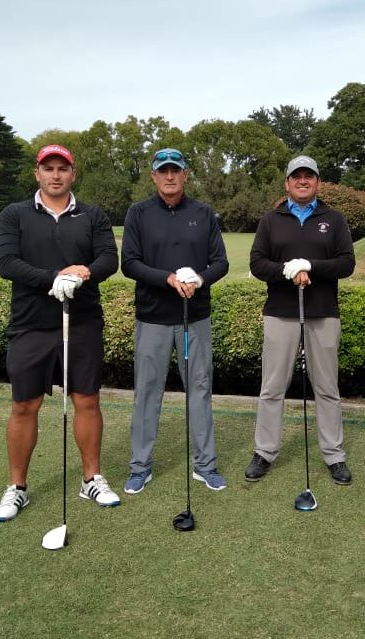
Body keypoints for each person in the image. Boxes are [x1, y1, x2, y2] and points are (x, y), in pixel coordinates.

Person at [0, 144, 121, 522]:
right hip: (30, 324)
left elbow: (108, 259)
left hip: (82, 322)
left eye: (62, 168)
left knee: (87, 400)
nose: (55, 175)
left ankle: (91, 478)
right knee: (24, 405)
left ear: (72, 173)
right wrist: (55, 277)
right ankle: (17, 487)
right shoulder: (14, 214)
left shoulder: (93, 215)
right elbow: (8, 263)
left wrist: (83, 274)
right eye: (48, 168)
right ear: (37, 174)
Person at [120, 148, 230, 494]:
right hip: (152, 317)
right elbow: (130, 263)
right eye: (163, 171)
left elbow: (220, 262)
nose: (169, 176)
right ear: (153, 176)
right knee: (147, 392)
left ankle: (205, 465)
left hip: (193, 318)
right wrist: (167, 278)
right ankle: (140, 467)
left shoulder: (203, 213)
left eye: (175, 170)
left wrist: (200, 278)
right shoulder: (138, 213)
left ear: (185, 175)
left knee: (199, 389)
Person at [245, 155, 356, 485]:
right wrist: (287, 270)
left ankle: (334, 454)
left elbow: (346, 263)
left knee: (327, 388)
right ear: (287, 183)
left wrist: (310, 267)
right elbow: (257, 263)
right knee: (272, 387)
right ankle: (265, 451)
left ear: (318, 182)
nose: (303, 181)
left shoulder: (334, 219)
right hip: (280, 313)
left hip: (323, 312)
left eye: (309, 176)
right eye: (297, 176)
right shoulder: (271, 220)